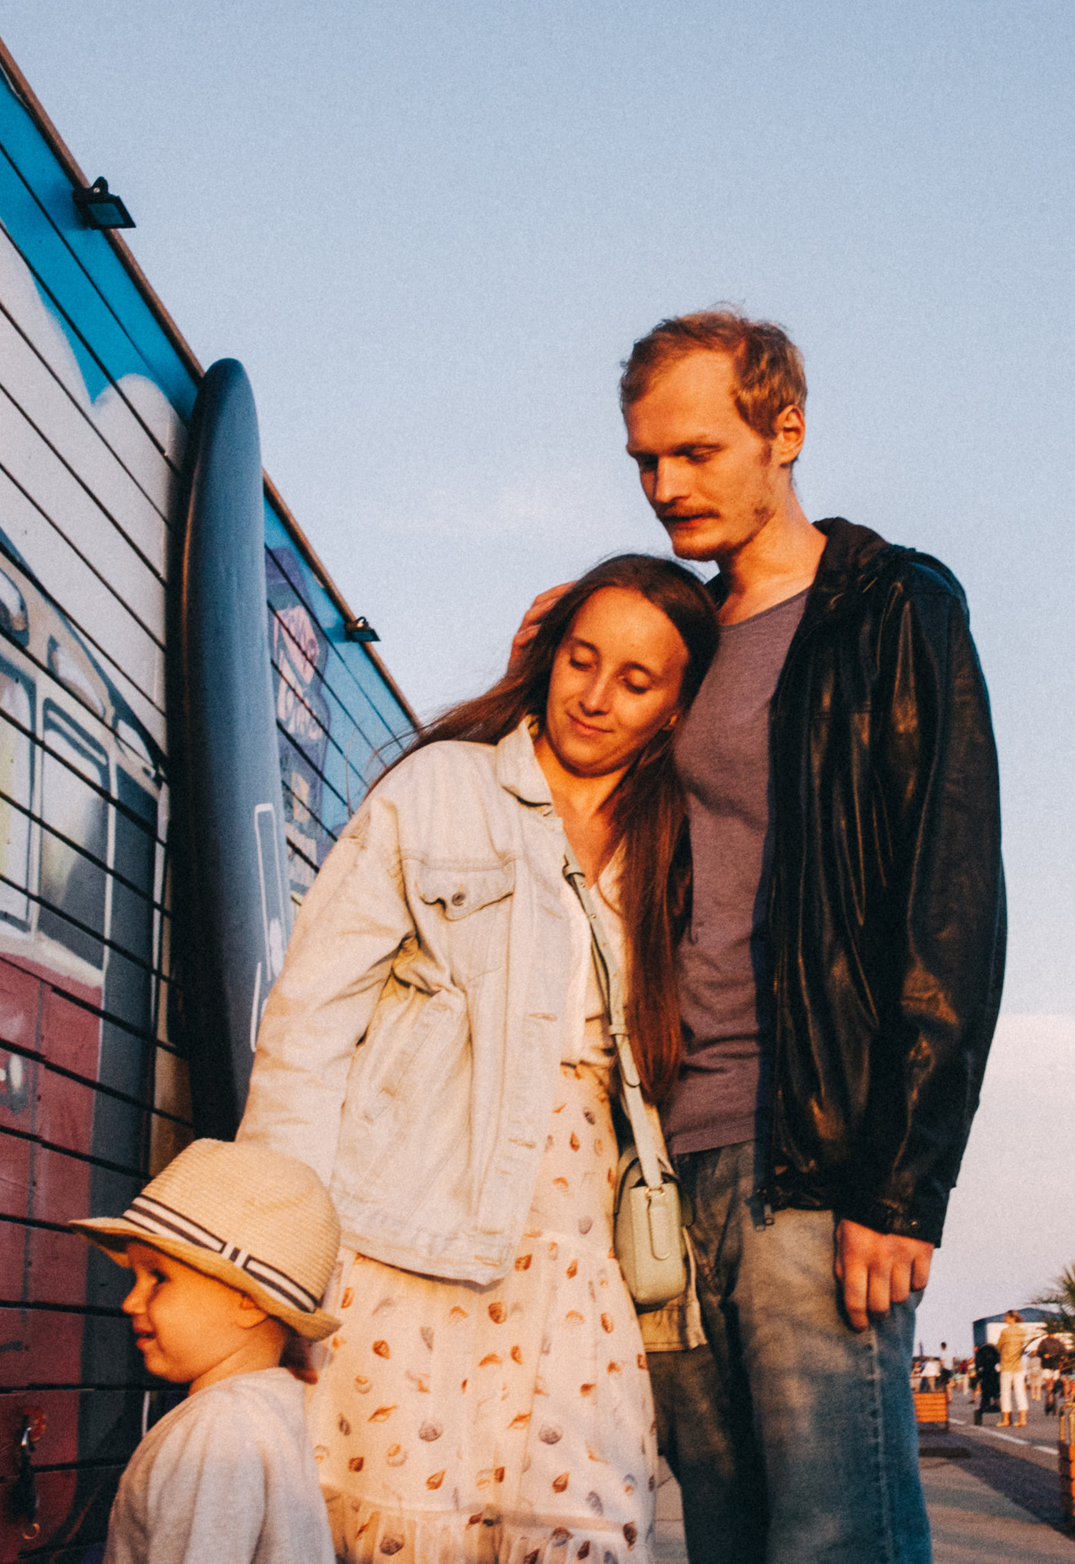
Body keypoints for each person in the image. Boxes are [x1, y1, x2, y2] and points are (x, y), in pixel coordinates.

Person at [523, 308, 1004, 1563]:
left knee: (836, 1540)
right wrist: (539, 685)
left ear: (784, 431)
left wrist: (902, 1184)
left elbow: (948, 898)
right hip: (661, 1161)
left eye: (694, 451)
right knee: (725, 1541)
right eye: (644, 460)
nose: (663, 485)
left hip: (814, 1156)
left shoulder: (888, 608)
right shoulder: (670, 639)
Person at [238, 555, 721, 1563]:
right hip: (406, 1241)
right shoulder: (441, 790)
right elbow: (308, 1025)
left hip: (578, 1262)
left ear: (676, 710)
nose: (592, 697)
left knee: (584, 1530)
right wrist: (278, 1264)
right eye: (580, 660)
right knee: (401, 1538)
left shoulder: (672, 847)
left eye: (634, 682)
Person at [71, 1139, 340, 1564]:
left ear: (248, 1301)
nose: (130, 1301)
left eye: (158, 1278)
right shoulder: (272, 1410)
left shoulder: (216, 1430)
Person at [996, 1310, 1032, 1426]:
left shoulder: (1005, 1332)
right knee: (1020, 1391)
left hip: (1006, 1365)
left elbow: (999, 1346)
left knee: (1005, 1392)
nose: (1004, 1319)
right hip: (1018, 1365)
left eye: (1006, 1317)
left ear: (1011, 1318)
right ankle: (1022, 1419)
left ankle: (1006, 1419)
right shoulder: (1022, 1332)